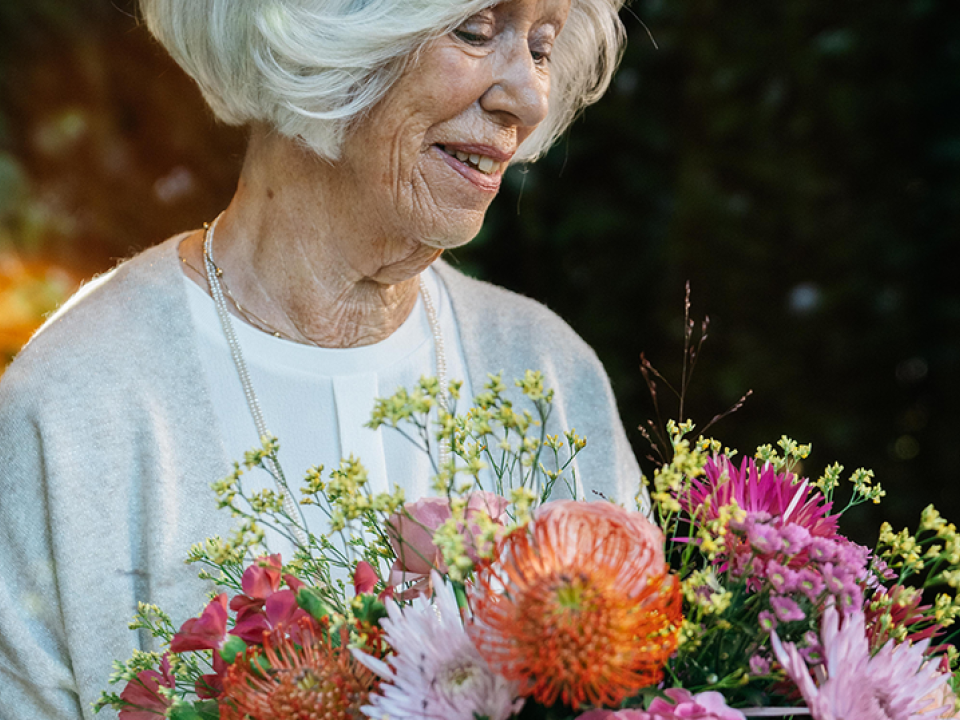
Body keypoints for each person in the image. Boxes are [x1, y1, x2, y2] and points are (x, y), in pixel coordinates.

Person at [0, 0, 641, 717]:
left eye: (544, 46)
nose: (528, 96)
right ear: (322, 31)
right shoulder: (71, 402)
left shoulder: (546, 372)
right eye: (475, 30)